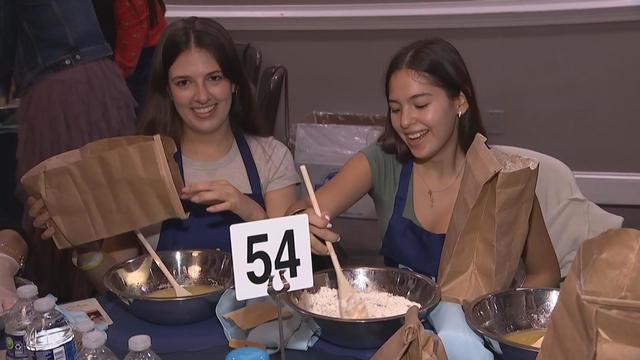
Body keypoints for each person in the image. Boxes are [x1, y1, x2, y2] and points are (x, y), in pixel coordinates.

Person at [287, 38, 560, 359]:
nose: (405, 121)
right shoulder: (382, 162)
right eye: (395, 108)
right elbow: (304, 211)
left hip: (475, 340)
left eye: (420, 105)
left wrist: (499, 316)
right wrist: (302, 223)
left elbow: (546, 272)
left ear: (460, 101)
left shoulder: (502, 179)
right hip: (395, 334)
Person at [27, 17, 299, 292]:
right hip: (166, 329)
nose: (202, 96)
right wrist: (84, 247)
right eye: (184, 83)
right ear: (168, 90)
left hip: (251, 327)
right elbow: (119, 288)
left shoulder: (271, 157)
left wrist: (247, 209)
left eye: (214, 78)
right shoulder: (140, 166)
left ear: (234, 83)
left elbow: (286, 281)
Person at [0, 0, 137, 302]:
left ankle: (70, 307)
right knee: (103, 205)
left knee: (58, 209)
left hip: (61, 91)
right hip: (98, 77)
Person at [113, 0, 167, 110]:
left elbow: (128, 55)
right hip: (153, 52)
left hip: (141, 62)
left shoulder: (128, 3)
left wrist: (113, 78)